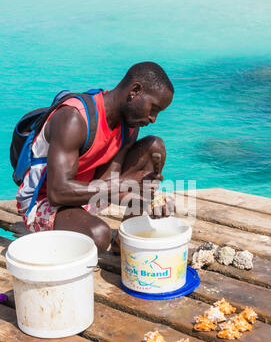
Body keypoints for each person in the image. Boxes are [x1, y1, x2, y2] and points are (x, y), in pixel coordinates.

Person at [16, 61, 174, 253]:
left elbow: (108, 183)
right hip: (43, 201)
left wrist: (147, 200)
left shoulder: (129, 126)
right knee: (97, 235)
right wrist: (124, 184)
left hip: (87, 192)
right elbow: (57, 193)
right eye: (153, 109)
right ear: (135, 91)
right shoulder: (74, 118)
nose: (153, 119)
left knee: (154, 147)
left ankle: (126, 242)